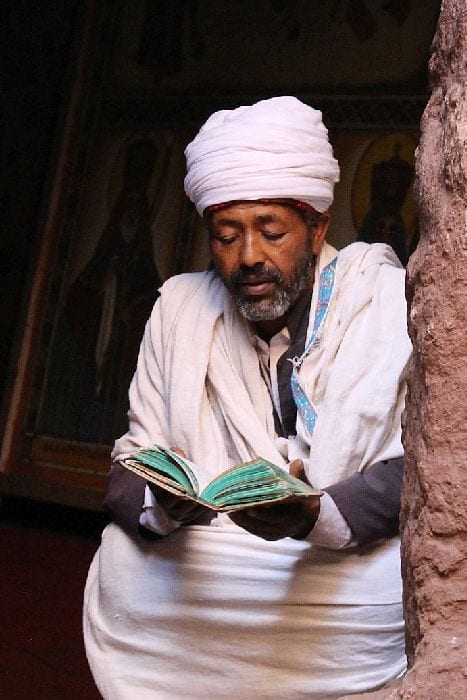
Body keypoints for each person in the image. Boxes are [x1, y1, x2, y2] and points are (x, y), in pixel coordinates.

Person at [83, 96, 412, 699]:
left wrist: (316, 516)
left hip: (336, 560)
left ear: (317, 226)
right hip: (203, 547)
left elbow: (417, 472)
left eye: (271, 231)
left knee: (390, 582)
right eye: (226, 237)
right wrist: (164, 504)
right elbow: (130, 460)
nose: (249, 258)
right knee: (123, 566)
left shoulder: (382, 301)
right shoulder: (179, 307)